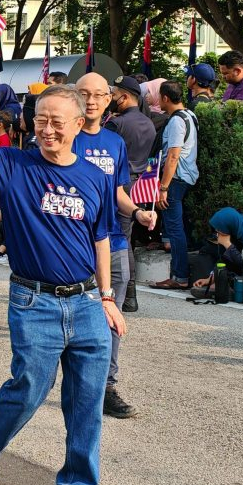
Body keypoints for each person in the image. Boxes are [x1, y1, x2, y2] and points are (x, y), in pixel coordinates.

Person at [0, 46, 127, 485]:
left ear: (79, 125)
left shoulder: (94, 178)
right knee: (29, 388)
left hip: (85, 303)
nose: (47, 128)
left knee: (87, 400)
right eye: (41, 119)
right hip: (33, 301)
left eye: (58, 121)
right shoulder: (14, 165)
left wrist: (107, 297)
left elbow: (101, 238)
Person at [74, 73, 158, 420]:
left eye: (98, 95)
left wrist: (137, 212)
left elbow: (118, 193)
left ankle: (106, 386)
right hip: (74, 244)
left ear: (109, 99)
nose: (91, 101)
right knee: (75, 313)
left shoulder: (114, 143)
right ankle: (71, 381)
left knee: (112, 315)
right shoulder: (64, 138)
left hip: (115, 240)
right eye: (84, 94)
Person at [104, 76, 157, 312]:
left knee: (110, 237)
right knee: (126, 238)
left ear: (124, 97)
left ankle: (121, 292)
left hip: (115, 184)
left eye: (113, 94)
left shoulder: (116, 124)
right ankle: (130, 295)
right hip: (136, 183)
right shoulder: (149, 122)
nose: (110, 99)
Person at [151, 81, 199, 290]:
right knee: (180, 226)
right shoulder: (190, 115)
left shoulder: (176, 122)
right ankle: (181, 273)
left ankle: (179, 276)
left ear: (165, 98)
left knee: (174, 229)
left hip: (176, 179)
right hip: (185, 177)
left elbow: (173, 156)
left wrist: (163, 187)